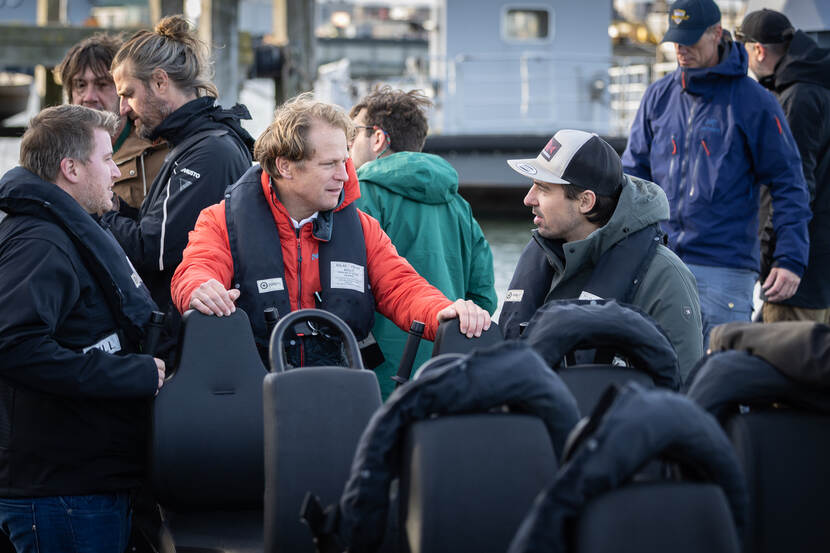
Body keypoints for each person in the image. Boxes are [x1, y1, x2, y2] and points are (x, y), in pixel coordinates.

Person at [171, 93, 490, 370]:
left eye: (344, 161)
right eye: (329, 165)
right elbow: (196, 269)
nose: (345, 175)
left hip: (336, 380)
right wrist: (200, 288)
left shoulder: (361, 227)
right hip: (252, 381)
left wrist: (445, 311)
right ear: (285, 166)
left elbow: (401, 286)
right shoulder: (222, 221)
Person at [0, 105, 165, 553]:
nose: (116, 171)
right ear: (69, 169)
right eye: (108, 159)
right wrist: (133, 374)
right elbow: (14, 348)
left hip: (82, 482)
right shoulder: (40, 243)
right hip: (61, 494)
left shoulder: (61, 233)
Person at [622, 0, 811, 346]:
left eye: (691, 40)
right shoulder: (658, 97)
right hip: (657, 263)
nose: (681, 49)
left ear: (717, 34)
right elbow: (632, 178)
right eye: (676, 40)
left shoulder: (755, 102)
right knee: (654, 382)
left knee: (720, 385)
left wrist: (790, 259)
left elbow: (789, 183)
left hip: (725, 270)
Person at [102, 15, 255, 359]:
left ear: (159, 82)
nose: (123, 109)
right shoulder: (195, 142)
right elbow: (160, 229)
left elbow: (155, 250)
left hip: (197, 343)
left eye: (128, 94)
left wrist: (93, 215)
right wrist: (117, 208)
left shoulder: (209, 152)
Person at [501, 129, 703, 380]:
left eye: (542, 188)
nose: (528, 198)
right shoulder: (546, 256)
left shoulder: (665, 276)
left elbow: (684, 392)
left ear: (585, 202)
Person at [349, 86, 497, 398]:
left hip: (376, 376)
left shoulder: (358, 196)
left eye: (354, 134)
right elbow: (483, 297)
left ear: (377, 138)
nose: (348, 145)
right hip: (446, 368)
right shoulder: (459, 205)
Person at [737, 9, 830, 324]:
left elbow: (792, 185)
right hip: (818, 271)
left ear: (758, 50)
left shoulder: (795, 98)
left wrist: (765, 259)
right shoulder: (819, 84)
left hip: (796, 274)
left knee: (783, 365)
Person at [56, 32, 168, 210]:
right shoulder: (52, 153)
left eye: (102, 84)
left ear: (123, 90)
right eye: (80, 85)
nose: (89, 97)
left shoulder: (157, 154)